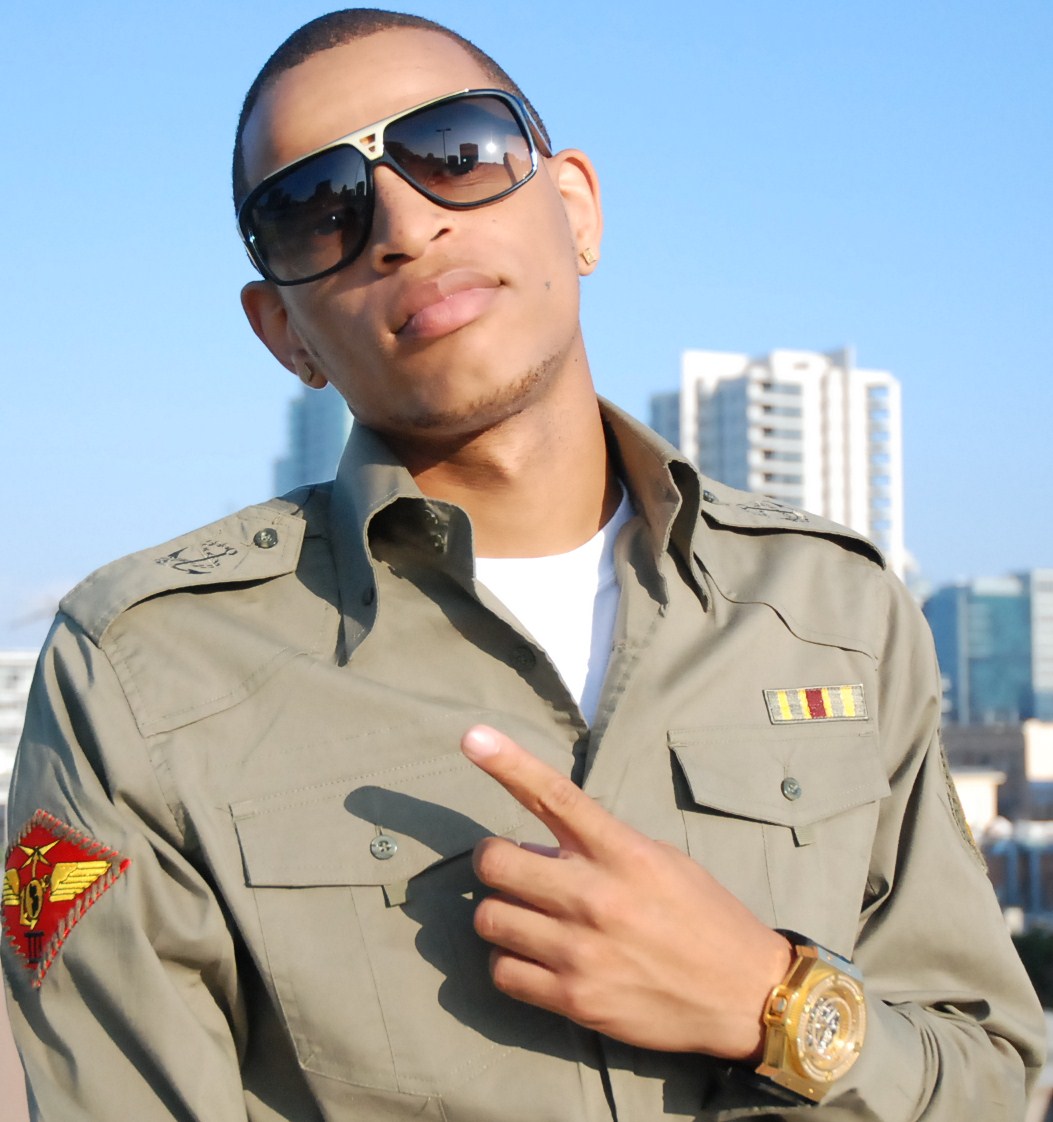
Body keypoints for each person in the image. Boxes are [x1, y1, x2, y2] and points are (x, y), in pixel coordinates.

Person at [2, 9, 1044, 1120]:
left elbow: (991, 1076)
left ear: (575, 207)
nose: (404, 226)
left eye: (456, 151)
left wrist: (772, 1002)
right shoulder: (148, 672)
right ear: (284, 332)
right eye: (317, 209)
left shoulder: (831, 610)